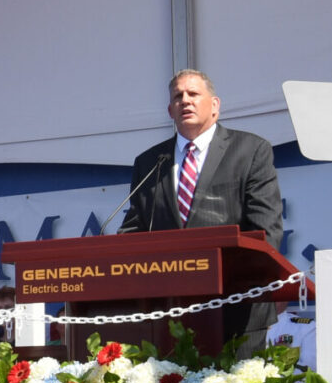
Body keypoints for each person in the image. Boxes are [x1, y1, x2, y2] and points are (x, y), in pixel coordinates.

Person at [119, 68, 283, 353]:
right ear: (170, 110)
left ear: (215, 105)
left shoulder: (250, 150)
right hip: (166, 311)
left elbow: (265, 230)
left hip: (235, 307)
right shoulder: (149, 163)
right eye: (178, 96)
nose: (186, 100)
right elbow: (134, 231)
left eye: (194, 94)